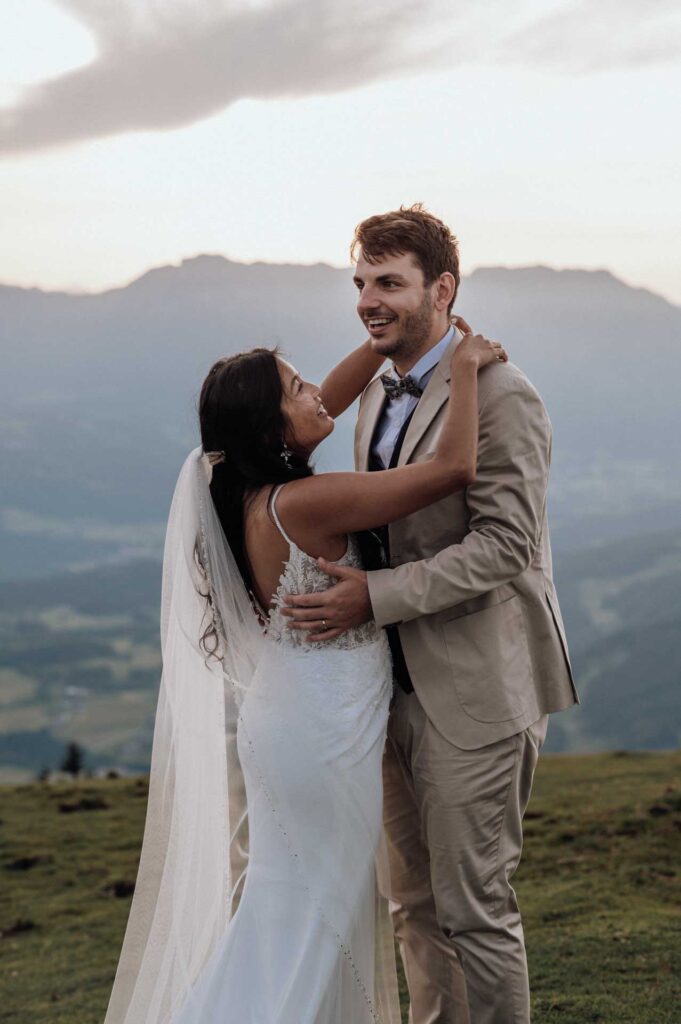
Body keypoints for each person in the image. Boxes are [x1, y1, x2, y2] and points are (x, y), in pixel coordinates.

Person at [103, 314, 506, 1021]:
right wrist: (465, 366)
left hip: (295, 721)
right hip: (321, 735)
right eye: (297, 388)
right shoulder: (308, 502)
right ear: (270, 431)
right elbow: (452, 471)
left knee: (293, 914)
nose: (317, 391)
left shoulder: (245, 489)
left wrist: (387, 337)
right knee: (312, 921)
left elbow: (325, 402)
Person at [282, 205, 579, 1024]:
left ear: (441, 290)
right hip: (385, 690)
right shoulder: (377, 395)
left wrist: (371, 597)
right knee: (411, 907)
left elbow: (505, 547)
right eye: (359, 283)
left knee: (474, 910)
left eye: (387, 283)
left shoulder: (503, 395)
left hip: (473, 689)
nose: (366, 301)